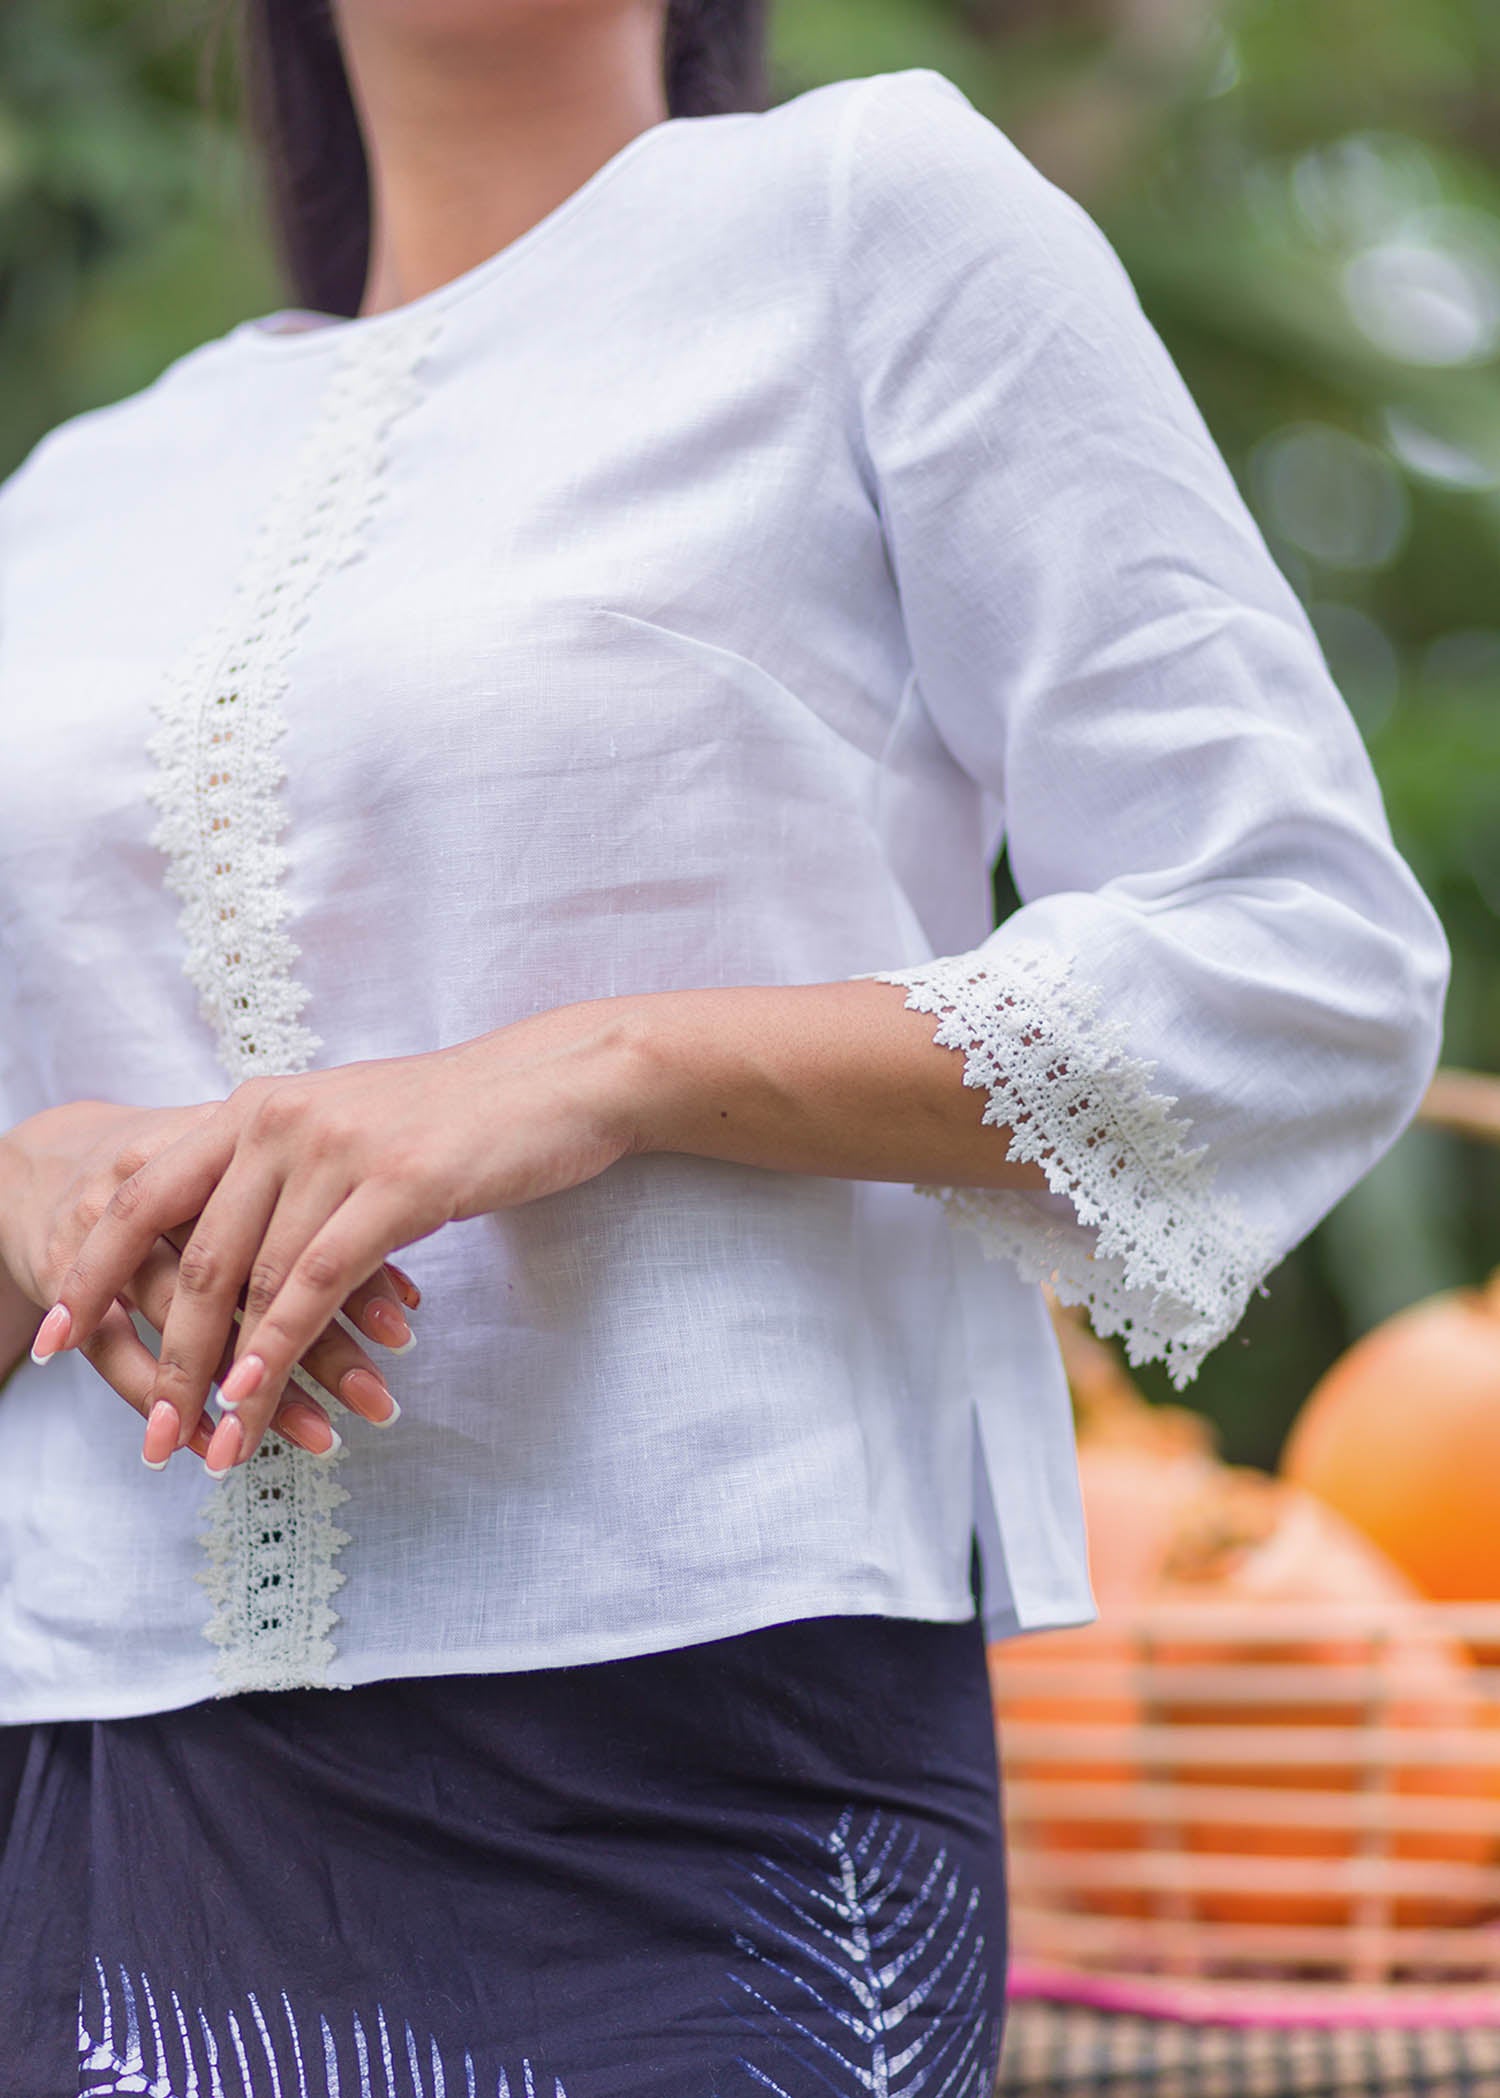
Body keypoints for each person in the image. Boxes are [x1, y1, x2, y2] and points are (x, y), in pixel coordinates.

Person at [0, 0, 1450, 2090]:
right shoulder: (67, 501)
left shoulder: (869, 218)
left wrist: (591, 1066)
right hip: (97, 1808)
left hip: (698, 1798)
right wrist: (29, 1182)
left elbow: (1299, 956)